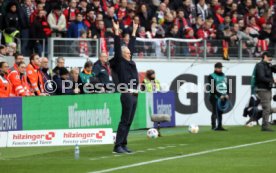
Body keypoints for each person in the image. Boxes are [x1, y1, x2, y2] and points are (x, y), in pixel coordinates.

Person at [110, 21, 139, 153]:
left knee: (129, 121)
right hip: (126, 94)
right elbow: (117, 49)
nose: (129, 53)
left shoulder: (130, 61)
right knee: (124, 120)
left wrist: (133, 32)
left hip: (134, 94)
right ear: (122, 54)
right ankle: (117, 146)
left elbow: (131, 47)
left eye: (129, 52)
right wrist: (116, 33)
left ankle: (123, 143)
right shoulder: (119, 62)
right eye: (127, 52)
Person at [255, 52, 276, 131]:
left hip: (267, 89)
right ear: (264, 56)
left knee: (267, 108)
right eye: (269, 57)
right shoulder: (260, 65)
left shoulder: (268, 65)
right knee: (266, 108)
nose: (270, 58)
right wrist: (272, 81)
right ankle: (265, 126)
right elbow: (261, 77)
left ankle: (264, 124)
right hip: (262, 89)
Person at [208, 62, 229, 131]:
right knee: (215, 111)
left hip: (223, 96)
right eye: (219, 68)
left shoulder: (224, 76)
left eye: (221, 68)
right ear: (215, 68)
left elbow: (227, 85)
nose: (220, 69)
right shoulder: (211, 76)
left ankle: (219, 126)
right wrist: (219, 95)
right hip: (214, 96)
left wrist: (227, 94)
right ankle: (213, 126)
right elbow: (212, 88)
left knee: (220, 111)